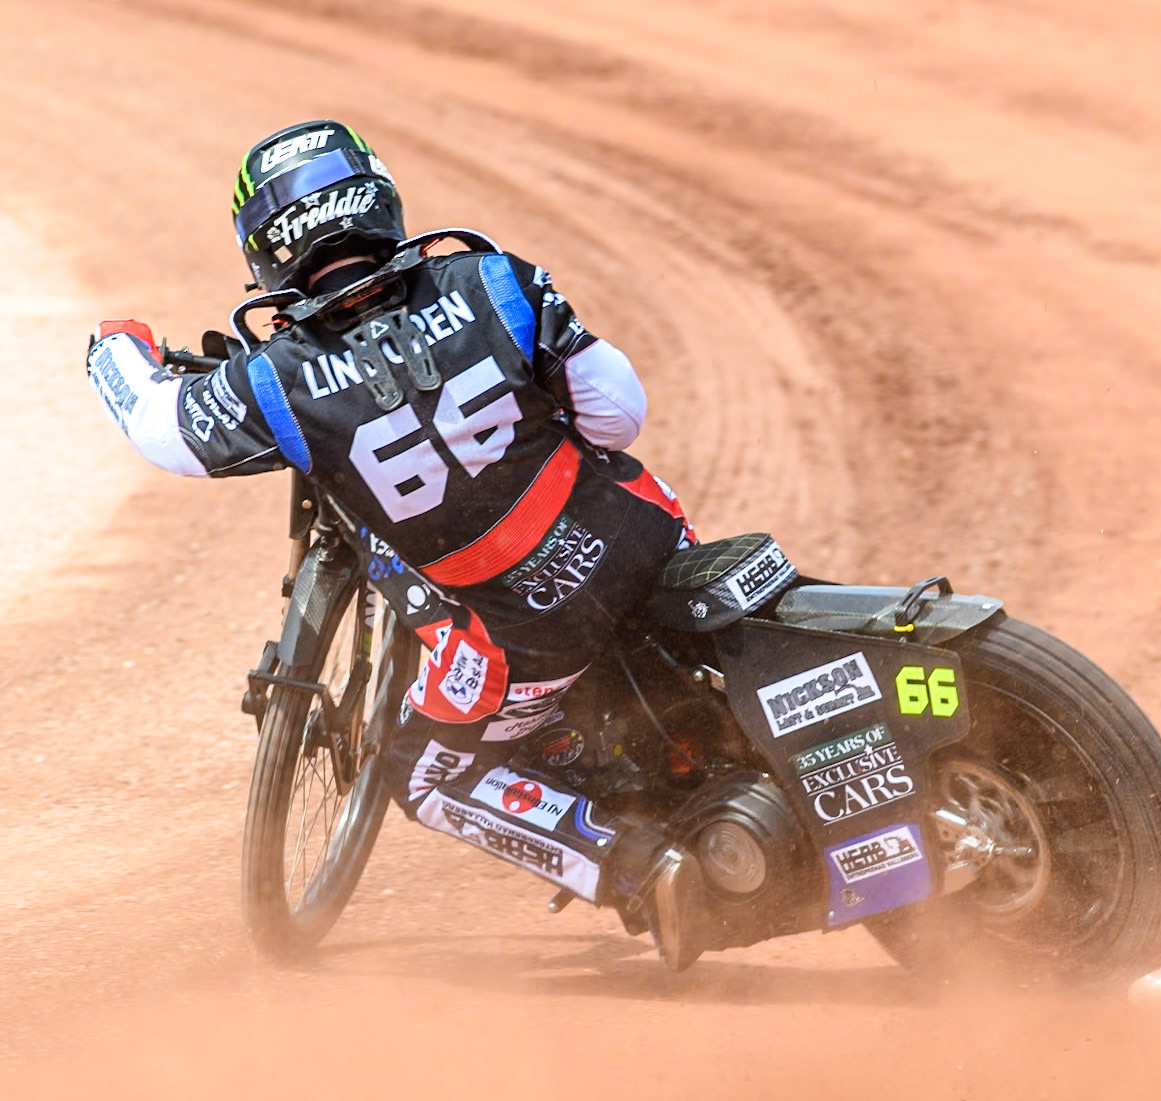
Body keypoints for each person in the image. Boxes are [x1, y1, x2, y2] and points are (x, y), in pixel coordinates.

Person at [85, 120, 709, 968]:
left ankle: (639, 868)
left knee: (421, 771)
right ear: (377, 199)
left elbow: (162, 429)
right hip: (643, 536)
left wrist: (112, 347)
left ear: (266, 248)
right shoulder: (492, 277)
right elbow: (616, 413)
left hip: (527, 633)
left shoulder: (278, 377)